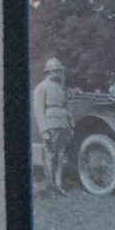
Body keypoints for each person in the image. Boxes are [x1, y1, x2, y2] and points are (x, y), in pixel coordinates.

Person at [32, 57, 74, 196]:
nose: (58, 73)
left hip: (63, 124)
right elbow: (39, 111)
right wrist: (44, 130)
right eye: (55, 71)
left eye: (59, 71)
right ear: (49, 72)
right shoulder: (41, 88)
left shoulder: (61, 87)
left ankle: (59, 185)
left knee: (61, 155)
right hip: (51, 125)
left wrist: (70, 123)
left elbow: (66, 107)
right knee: (50, 156)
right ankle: (51, 187)